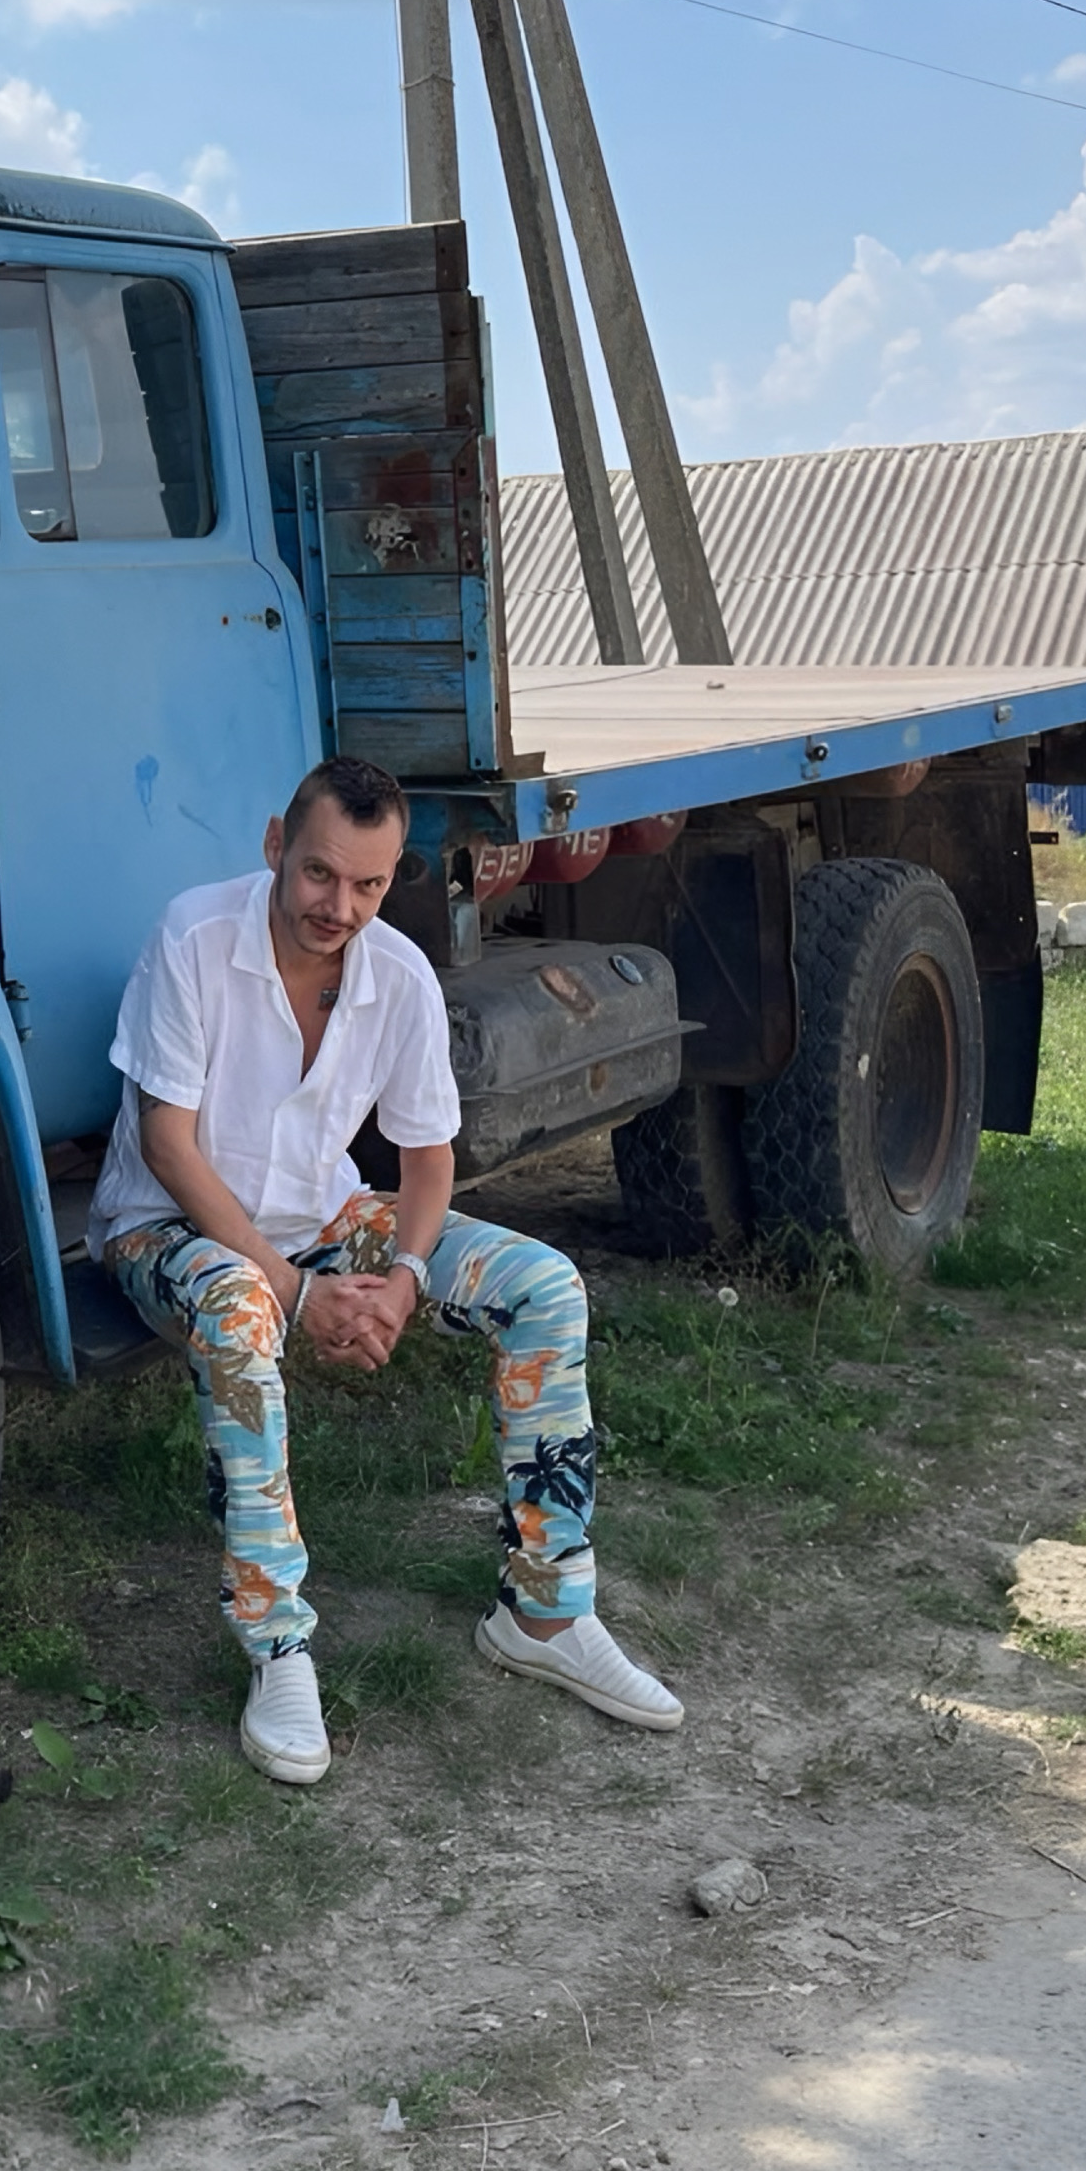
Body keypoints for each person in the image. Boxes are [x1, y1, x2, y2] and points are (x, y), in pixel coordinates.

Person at [90, 753, 683, 1785]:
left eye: (367, 884)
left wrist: (403, 1279)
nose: (340, 906)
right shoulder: (193, 939)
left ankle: (544, 1611)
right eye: (321, 875)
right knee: (237, 1310)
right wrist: (297, 1291)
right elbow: (168, 1145)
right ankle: (277, 1647)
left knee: (542, 1286)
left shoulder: (396, 974)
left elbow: (426, 1158)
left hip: (328, 1221)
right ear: (277, 846)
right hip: (168, 1228)